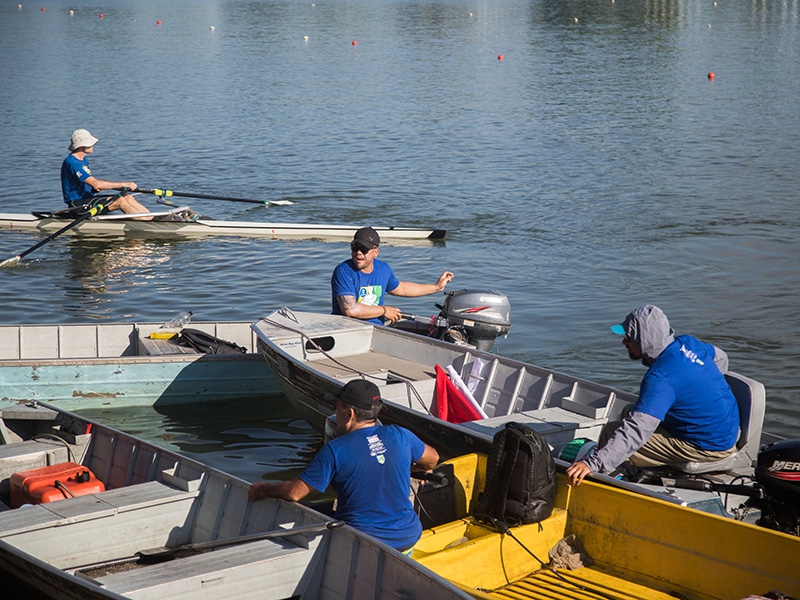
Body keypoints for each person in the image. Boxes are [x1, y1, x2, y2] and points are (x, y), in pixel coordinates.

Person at [248, 379, 439, 552]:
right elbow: (433, 458)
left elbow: (294, 493)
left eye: (337, 408)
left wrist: (263, 489)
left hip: (363, 542)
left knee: (303, 507)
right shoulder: (401, 435)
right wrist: (410, 469)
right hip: (408, 537)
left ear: (349, 414)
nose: (335, 413)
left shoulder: (336, 450)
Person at [566, 304, 740, 486]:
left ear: (643, 340)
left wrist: (593, 462)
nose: (624, 342)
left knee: (612, 431)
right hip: (728, 431)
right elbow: (721, 358)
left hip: (708, 447)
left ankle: (609, 479)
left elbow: (638, 429)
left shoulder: (661, 378)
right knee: (629, 410)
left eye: (628, 338)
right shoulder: (688, 343)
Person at [331, 226, 454, 326]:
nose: (358, 253)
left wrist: (436, 287)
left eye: (364, 249)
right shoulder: (343, 271)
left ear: (375, 252)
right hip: (347, 329)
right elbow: (351, 310)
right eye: (355, 247)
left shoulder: (383, 269)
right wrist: (384, 311)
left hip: (376, 329)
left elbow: (401, 288)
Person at [61, 129, 152, 220]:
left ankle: (152, 219)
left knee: (128, 197)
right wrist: (125, 184)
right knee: (120, 201)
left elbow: (90, 184)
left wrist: (94, 189)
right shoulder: (72, 163)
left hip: (88, 199)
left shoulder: (83, 159)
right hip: (77, 206)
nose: (93, 145)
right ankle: (148, 226)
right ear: (82, 146)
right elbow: (96, 183)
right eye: (90, 143)